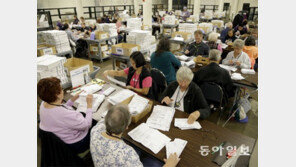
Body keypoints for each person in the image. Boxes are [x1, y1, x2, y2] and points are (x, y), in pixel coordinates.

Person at [90, 104, 180, 167]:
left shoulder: (95, 130)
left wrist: (119, 112)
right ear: (126, 127)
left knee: (137, 149)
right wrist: (169, 165)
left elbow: (107, 118)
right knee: (156, 162)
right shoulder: (127, 154)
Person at [38, 77, 95, 154]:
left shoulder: (44, 104)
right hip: (77, 144)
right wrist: (89, 104)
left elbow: (59, 108)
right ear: (57, 95)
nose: (63, 91)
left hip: (60, 140)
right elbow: (87, 125)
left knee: (85, 115)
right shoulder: (65, 114)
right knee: (97, 123)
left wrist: (72, 100)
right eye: (61, 89)